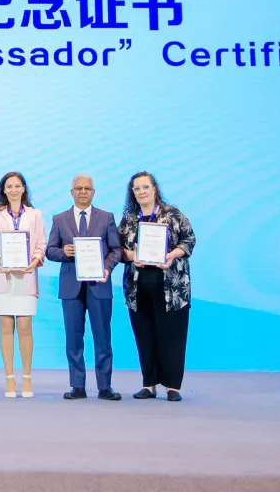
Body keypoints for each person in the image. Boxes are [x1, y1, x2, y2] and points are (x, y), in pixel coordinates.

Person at [118, 171, 197, 402]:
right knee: (145, 337)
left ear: (154, 189)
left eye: (145, 187)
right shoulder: (129, 220)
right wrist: (132, 256)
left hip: (172, 291)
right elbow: (117, 249)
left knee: (172, 337)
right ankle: (149, 385)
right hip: (137, 290)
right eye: (137, 188)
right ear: (132, 193)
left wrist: (172, 255)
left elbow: (189, 240)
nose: (141, 192)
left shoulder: (172, 214)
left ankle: (172, 387)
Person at [45, 174, 122, 401]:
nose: (83, 192)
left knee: (103, 337)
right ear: (72, 192)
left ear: (93, 192)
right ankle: (77, 386)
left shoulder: (106, 217)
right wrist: (63, 252)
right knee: (73, 338)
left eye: (87, 188)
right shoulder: (60, 219)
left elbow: (116, 249)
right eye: (78, 188)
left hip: (99, 285)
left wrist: (106, 268)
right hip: (71, 287)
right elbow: (50, 250)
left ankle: (105, 386)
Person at [0, 171, 46, 398]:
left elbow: (41, 243)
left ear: (24, 188)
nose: (13, 190)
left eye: (17, 186)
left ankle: (27, 378)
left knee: (25, 328)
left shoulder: (35, 214)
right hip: (3, 276)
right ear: (3, 189)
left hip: (26, 277)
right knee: (6, 327)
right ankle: (10, 379)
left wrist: (35, 261)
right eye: (9, 186)